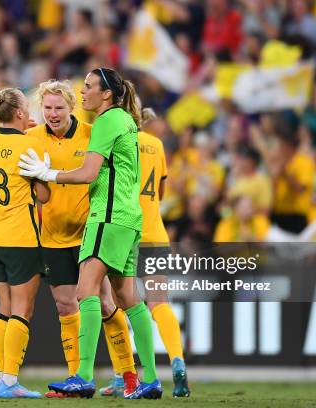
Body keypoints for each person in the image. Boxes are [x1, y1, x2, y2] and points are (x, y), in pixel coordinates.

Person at [19, 68, 162, 399]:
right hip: (129, 217)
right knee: (129, 298)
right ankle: (151, 379)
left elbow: (87, 174)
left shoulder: (106, 122)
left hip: (107, 216)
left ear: (107, 94)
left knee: (86, 293)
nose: (82, 92)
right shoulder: (126, 121)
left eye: (88, 87)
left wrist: (48, 173)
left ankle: (83, 375)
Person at [99, 107, 191, 397]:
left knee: (116, 304)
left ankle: (122, 375)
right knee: (159, 304)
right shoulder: (157, 144)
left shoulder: (115, 141)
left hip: (125, 231)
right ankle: (177, 362)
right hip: (155, 233)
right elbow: (161, 194)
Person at [0, 87, 47, 399]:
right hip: (22, 237)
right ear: (19, 113)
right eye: (28, 109)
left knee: (4, 308)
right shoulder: (28, 148)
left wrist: (18, 132)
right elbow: (43, 196)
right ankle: (9, 381)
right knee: (23, 309)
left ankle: (3, 379)